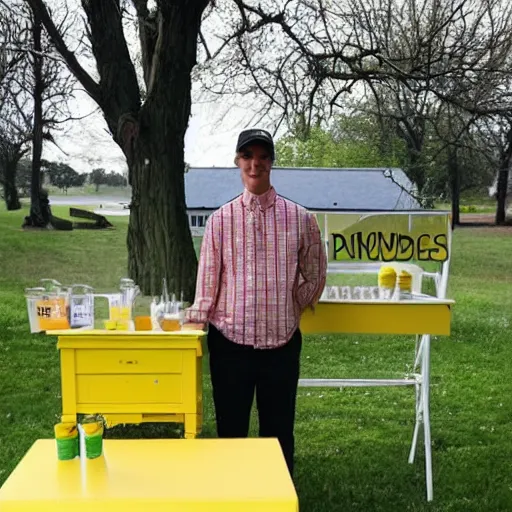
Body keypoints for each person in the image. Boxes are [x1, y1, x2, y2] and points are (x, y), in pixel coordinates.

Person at [183, 128, 327, 476]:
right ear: (237, 162)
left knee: (278, 433)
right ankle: (233, 496)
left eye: (262, 157)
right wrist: (194, 320)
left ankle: (275, 497)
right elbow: (207, 282)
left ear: (271, 163)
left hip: (282, 343)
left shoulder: (301, 218)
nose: (255, 164)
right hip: (230, 342)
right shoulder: (221, 220)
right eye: (248, 156)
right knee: (231, 430)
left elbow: (316, 272)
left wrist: (294, 303)